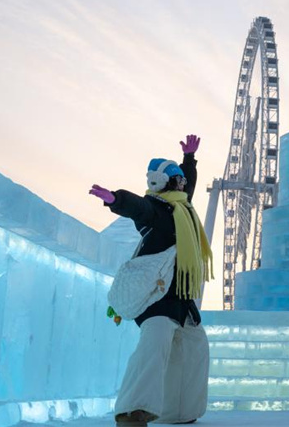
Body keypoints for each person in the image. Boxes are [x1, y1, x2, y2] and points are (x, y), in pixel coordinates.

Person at [89, 135, 213, 427]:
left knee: (195, 348)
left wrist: (189, 160)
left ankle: (177, 412)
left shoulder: (182, 207)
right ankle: (131, 413)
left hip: (181, 301)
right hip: (157, 300)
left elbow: (190, 185)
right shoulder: (155, 210)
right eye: (178, 180)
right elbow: (137, 207)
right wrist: (114, 199)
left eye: (183, 181)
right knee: (153, 349)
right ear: (165, 183)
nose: (183, 184)